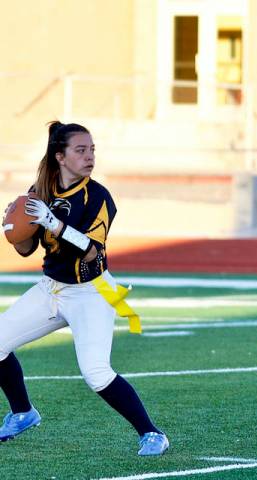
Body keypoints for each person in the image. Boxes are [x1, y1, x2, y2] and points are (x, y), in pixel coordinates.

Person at [0, 121, 169, 456]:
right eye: (81, 150)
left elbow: (92, 250)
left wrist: (54, 224)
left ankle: (152, 433)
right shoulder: (40, 191)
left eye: (92, 149)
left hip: (91, 291)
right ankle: (23, 413)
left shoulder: (98, 197)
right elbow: (25, 249)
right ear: (60, 156)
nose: (90, 156)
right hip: (51, 289)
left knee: (96, 373)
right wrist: (13, 226)